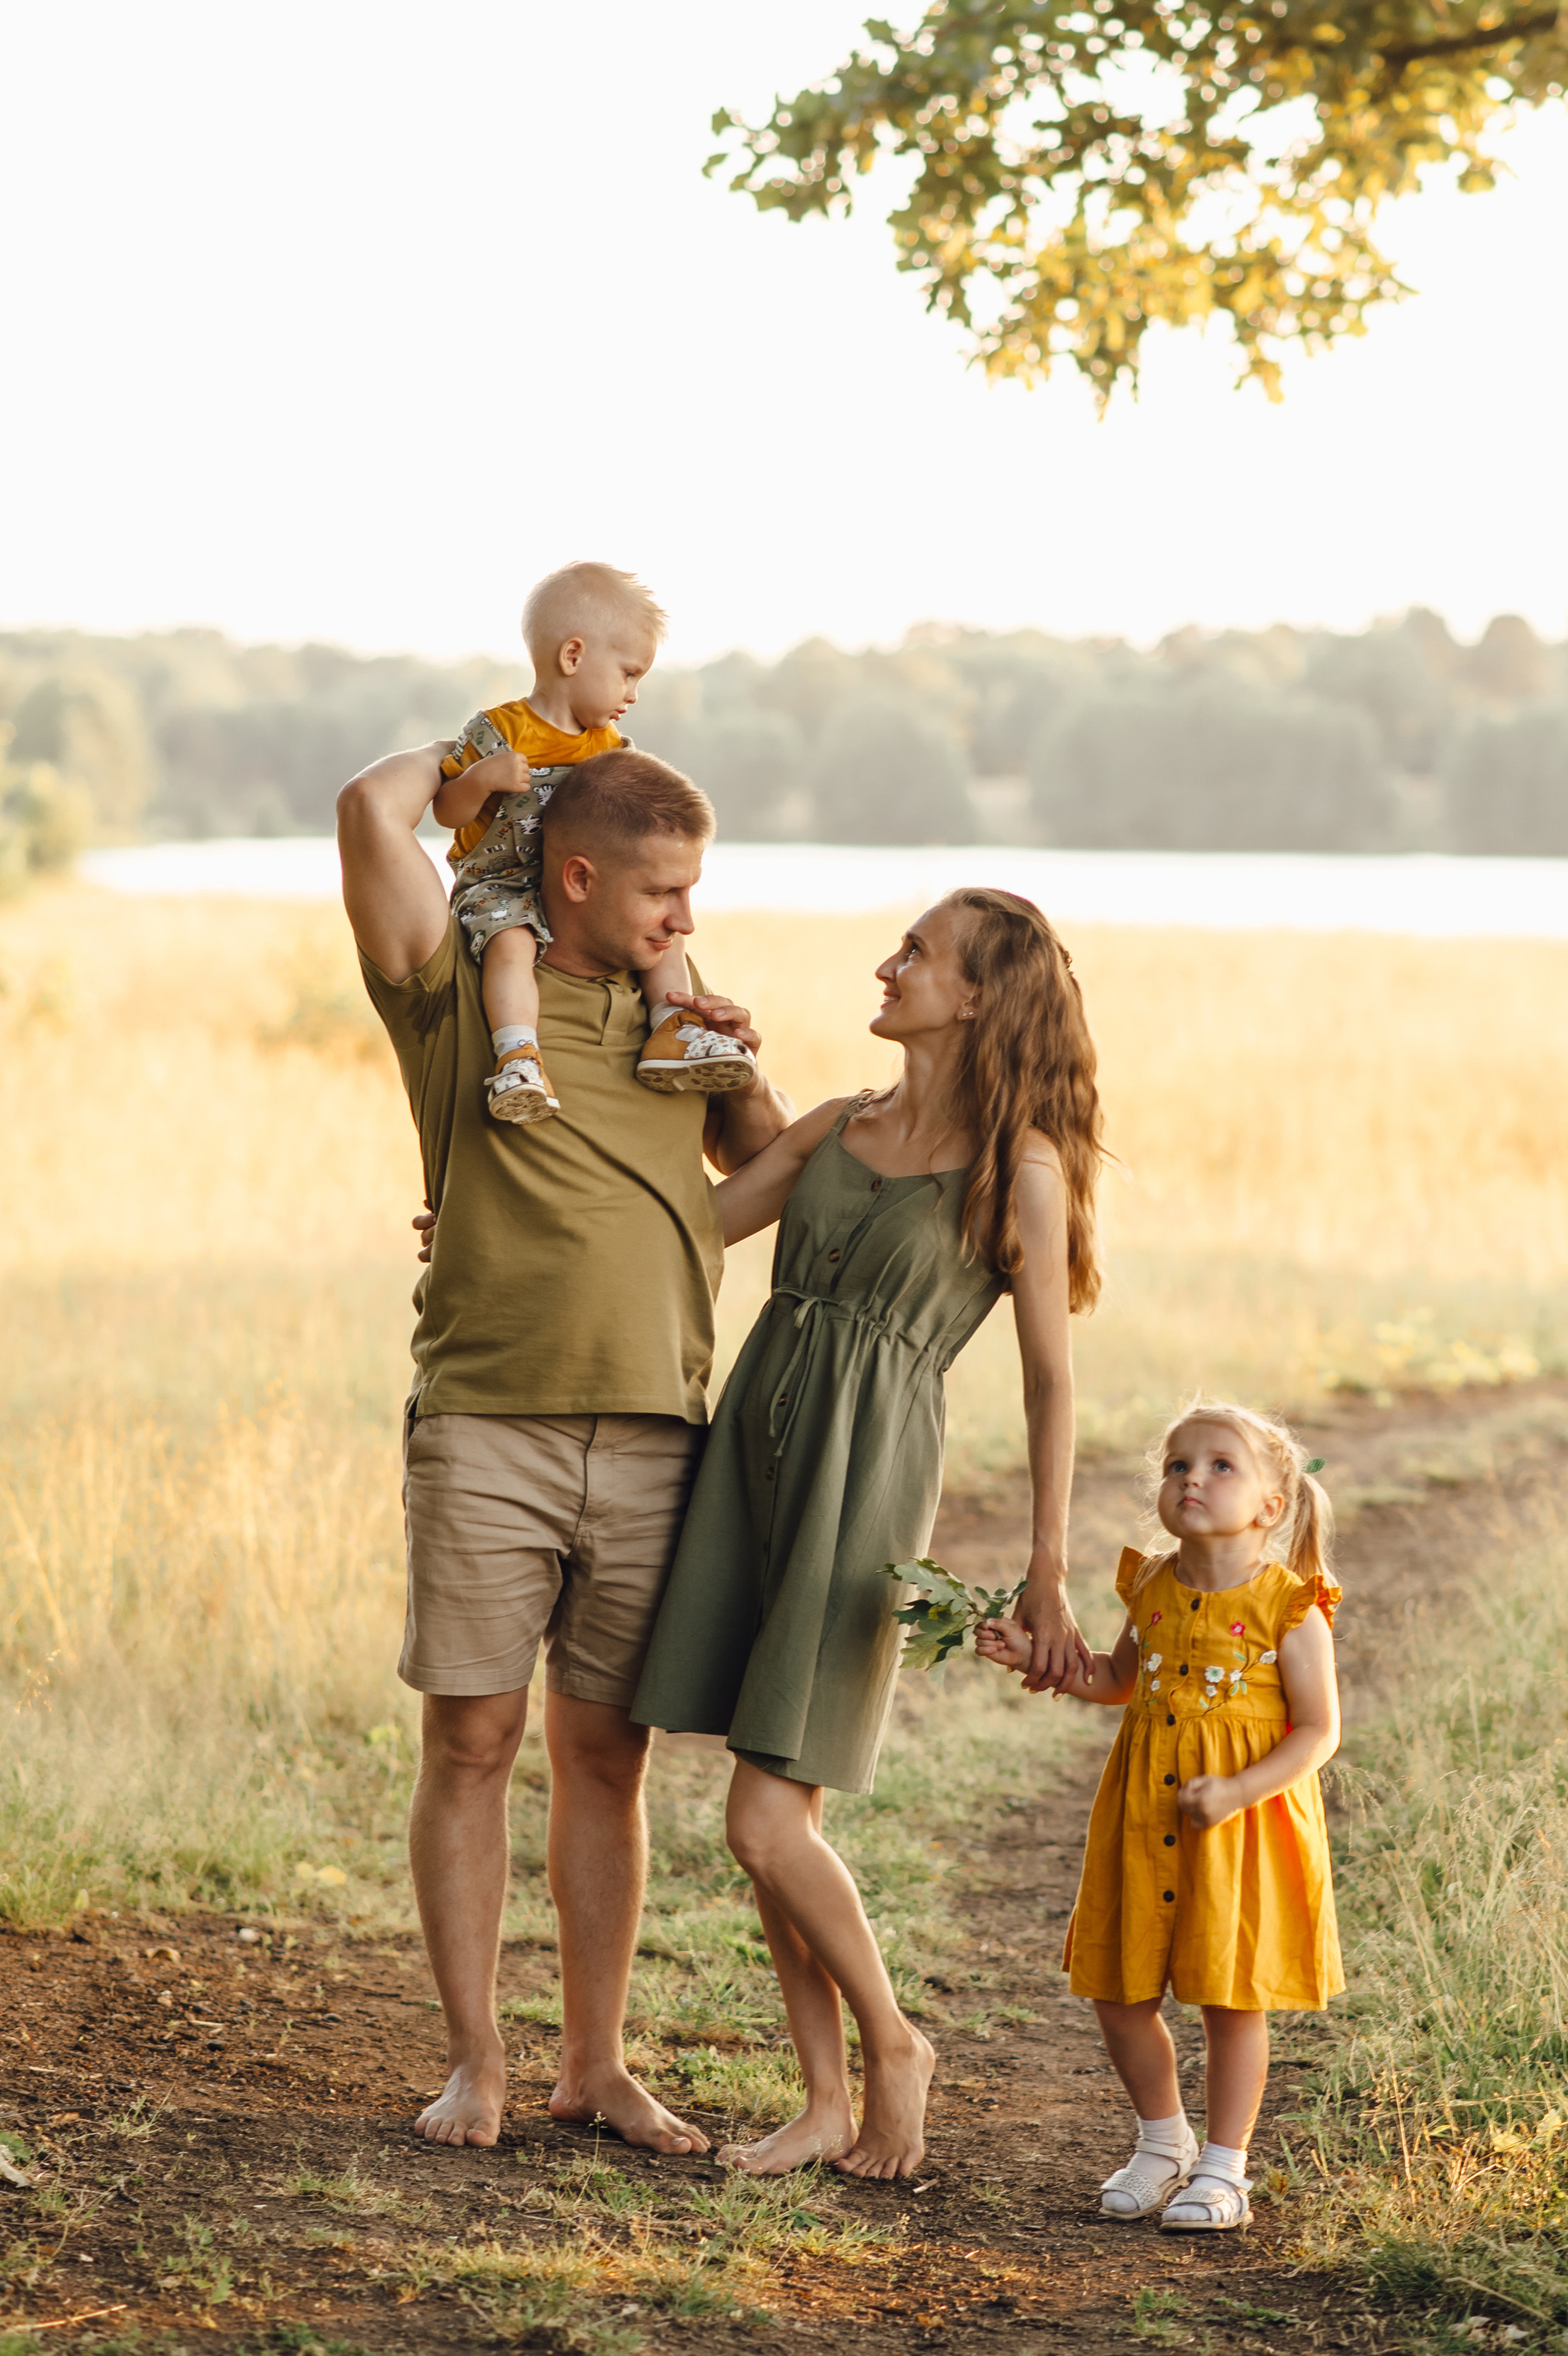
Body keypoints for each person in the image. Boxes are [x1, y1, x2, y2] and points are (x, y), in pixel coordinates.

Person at [337, 735, 793, 2154]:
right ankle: (475, 2060)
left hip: (659, 1428)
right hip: (488, 1421)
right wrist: (521, 741)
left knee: (610, 1754)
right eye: (664, 890)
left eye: (698, 889)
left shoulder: (676, 1016)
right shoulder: (468, 996)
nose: (686, 916)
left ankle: (595, 2064)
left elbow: (767, 1164)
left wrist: (735, 1046)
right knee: (472, 1736)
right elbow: (370, 808)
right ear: (578, 873)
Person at [632, 888, 1103, 2182]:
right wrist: (515, 1227)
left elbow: (1051, 1379)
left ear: (977, 999)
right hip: (752, 1457)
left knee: (765, 1820)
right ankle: (826, 2099)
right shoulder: (840, 1123)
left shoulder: (1027, 1171)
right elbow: (694, 1226)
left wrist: (1049, 1567)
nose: (888, 966)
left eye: (919, 955)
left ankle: (894, 2047)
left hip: (865, 1476)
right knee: (767, 1800)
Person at [977, 1398, 1343, 2231]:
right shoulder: (1150, 1584)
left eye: (1220, 1467)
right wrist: (1034, 1659)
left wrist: (1237, 1790)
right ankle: (1161, 2141)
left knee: (1228, 1994)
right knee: (1118, 1987)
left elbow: (1320, 1731)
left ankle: (1224, 2168)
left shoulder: (1292, 1609)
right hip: (1143, 1816)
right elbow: (1115, 1678)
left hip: (1236, 1829)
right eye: (1179, 1465)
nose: (1192, 1480)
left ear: (1269, 1507)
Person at [433, 559, 756, 1125]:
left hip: (571, 891)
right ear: (573, 656)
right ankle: (518, 1055)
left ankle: (671, 1028)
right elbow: (445, 810)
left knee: (665, 939)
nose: (633, 693)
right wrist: (482, 779)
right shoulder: (500, 730)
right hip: (503, 885)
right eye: (629, 673)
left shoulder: (608, 745)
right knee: (511, 947)